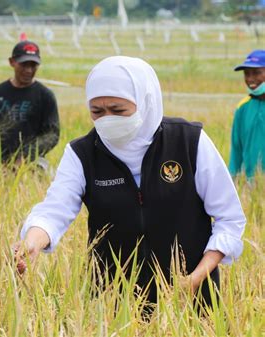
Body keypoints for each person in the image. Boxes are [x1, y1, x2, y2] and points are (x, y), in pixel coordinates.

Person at [14, 56, 246, 308]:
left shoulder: (188, 142)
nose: (107, 119)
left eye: (118, 110)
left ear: (145, 102)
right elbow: (54, 210)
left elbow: (229, 218)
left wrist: (197, 276)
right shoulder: (82, 153)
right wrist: (32, 241)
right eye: (97, 111)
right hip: (114, 298)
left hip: (190, 295)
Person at [0, 40, 60, 166]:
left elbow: (52, 134)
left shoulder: (45, 96)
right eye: (24, 65)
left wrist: (26, 156)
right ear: (12, 62)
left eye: (33, 65)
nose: (28, 70)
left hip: (34, 160)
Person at [229, 49, 265, 180]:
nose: (250, 79)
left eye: (257, 73)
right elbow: (236, 149)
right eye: (247, 74)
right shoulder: (242, 108)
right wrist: (233, 179)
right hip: (251, 183)